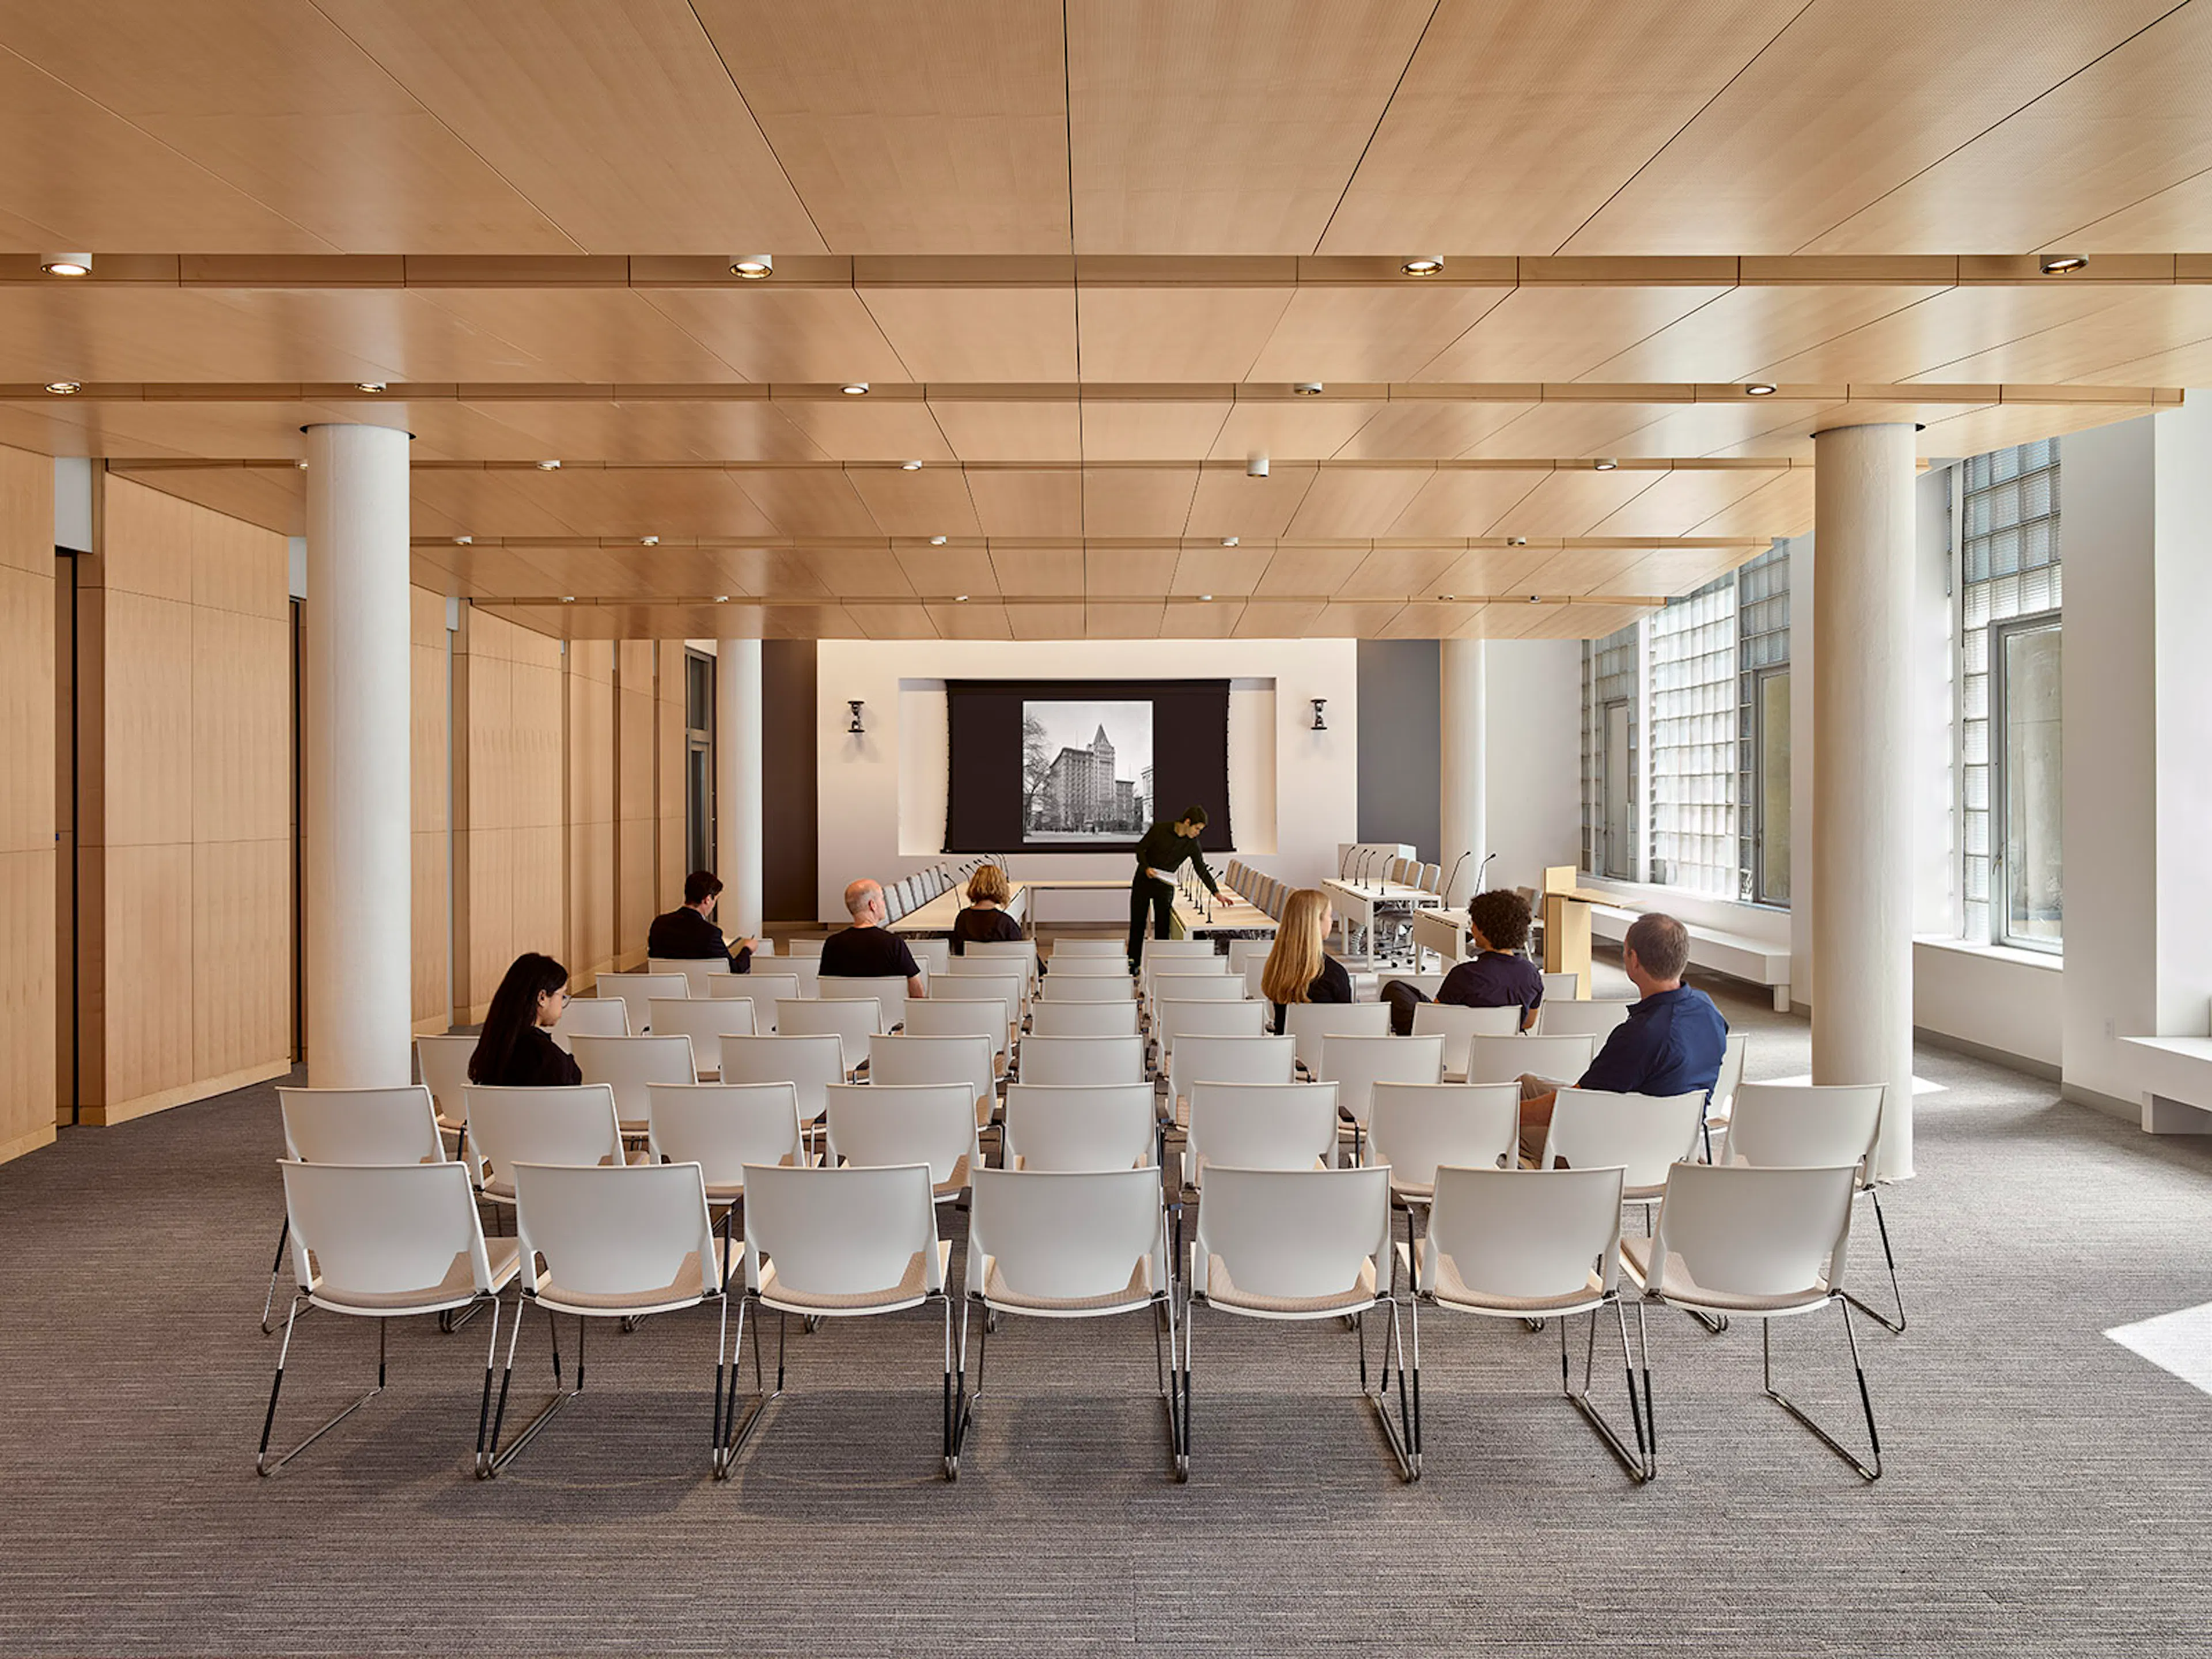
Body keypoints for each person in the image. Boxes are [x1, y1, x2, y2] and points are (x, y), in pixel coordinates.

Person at [1517, 912, 1729, 1163]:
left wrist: (1502, 1114)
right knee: (1527, 1083)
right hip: (1680, 1141)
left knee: (1504, 1129)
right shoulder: (1708, 1009)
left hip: (1619, 1151)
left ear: (1634, 960)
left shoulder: (1641, 1035)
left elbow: (1573, 1105)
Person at [1382, 888, 1544, 1036]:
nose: (1471, 928)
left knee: (1395, 989)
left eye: (1473, 923)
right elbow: (1528, 1023)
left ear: (1482, 930)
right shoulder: (1531, 973)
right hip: (1500, 1043)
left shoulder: (1465, 974)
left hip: (1453, 1038)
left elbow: (1435, 1018)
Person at [467, 952, 584, 1088]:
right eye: (562, 995)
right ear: (542, 998)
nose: (563, 1003)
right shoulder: (550, 1060)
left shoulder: (491, 1049)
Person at [1128, 805, 1221, 972]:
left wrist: (1216, 892)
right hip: (1144, 881)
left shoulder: (1192, 844)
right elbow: (1140, 848)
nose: (1198, 833)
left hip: (1165, 886)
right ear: (1187, 822)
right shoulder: (1159, 830)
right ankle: (1133, 965)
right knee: (1138, 925)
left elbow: (1201, 868)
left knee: (1164, 928)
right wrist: (1146, 867)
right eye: (1197, 828)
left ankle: (1160, 968)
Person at [1259, 887, 1353, 1035]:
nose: (1331, 920)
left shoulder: (1277, 967)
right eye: (1329, 915)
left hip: (1286, 1052)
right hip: (1326, 1054)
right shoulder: (1335, 973)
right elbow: (1347, 1025)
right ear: (1317, 922)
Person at [820, 877, 927, 1001]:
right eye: (882, 899)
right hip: (892, 1017)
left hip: (845, 1017)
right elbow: (917, 992)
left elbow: (827, 988)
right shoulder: (893, 943)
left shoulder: (832, 944)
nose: (885, 903)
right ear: (873, 905)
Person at [646, 870, 756, 974]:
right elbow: (735, 970)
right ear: (708, 900)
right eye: (715, 900)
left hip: (666, 990)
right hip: (704, 990)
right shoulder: (711, 934)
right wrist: (748, 949)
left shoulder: (659, 925)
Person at [950, 863, 1024, 955]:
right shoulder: (1006, 923)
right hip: (1001, 969)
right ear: (1002, 888)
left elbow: (958, 952)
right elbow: (1022, 953)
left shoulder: (962, 919)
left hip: (968, 969)